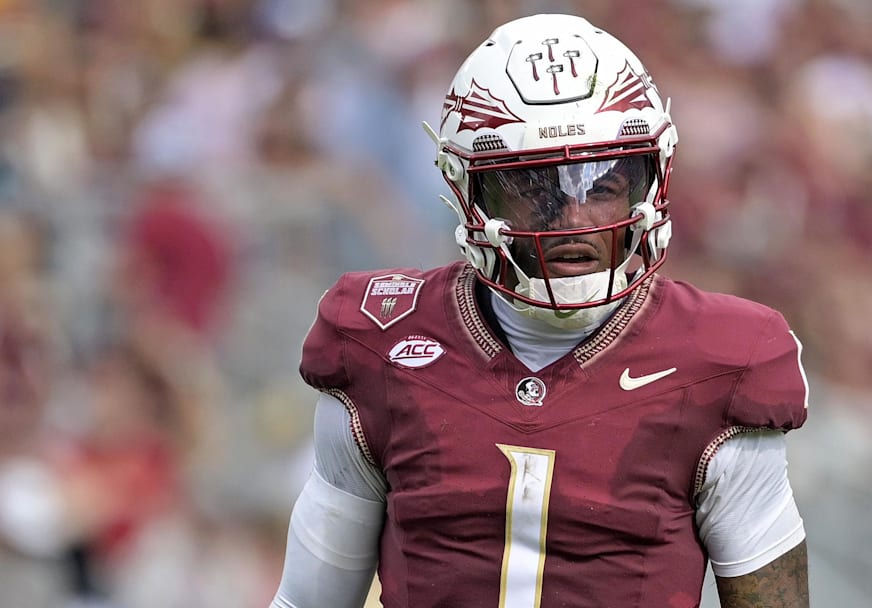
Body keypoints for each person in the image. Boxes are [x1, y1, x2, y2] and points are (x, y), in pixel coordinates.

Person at [270, 13, 810, 608]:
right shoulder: (379, 342)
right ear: (465, 190)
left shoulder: (720, 362)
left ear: (649, 179)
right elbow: (308, 601)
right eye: (538, 190)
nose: (575, 222)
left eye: (602, 184)